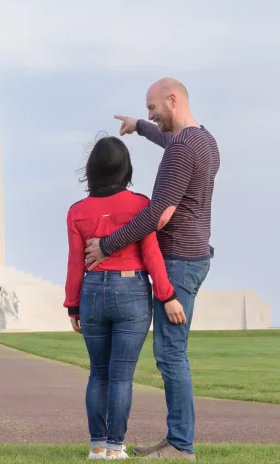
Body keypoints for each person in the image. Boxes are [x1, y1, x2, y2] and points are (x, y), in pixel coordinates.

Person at [84, 78, 220, 461]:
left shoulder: (181, 150)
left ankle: (180, 445)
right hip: (196, 256)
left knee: (171, 355)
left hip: (177, 259)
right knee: (171, 354)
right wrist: (139, 126)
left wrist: (107, 246)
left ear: (172, 100)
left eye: (152, 108)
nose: (150, 114)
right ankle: (177, 438)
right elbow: (172, 144)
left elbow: (155, 217)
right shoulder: (204, 141)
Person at [65, 135, 186, 460]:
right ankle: (116, 447)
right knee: (121, 376)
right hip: (131, 292)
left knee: (98, 373)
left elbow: (76, 261)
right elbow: (152, 255)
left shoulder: (77, 211)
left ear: (92, 170)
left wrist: (72, 304)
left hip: (91, 293)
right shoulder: (140, 205)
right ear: (125, 169)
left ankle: (97, 446)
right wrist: (168, 296)